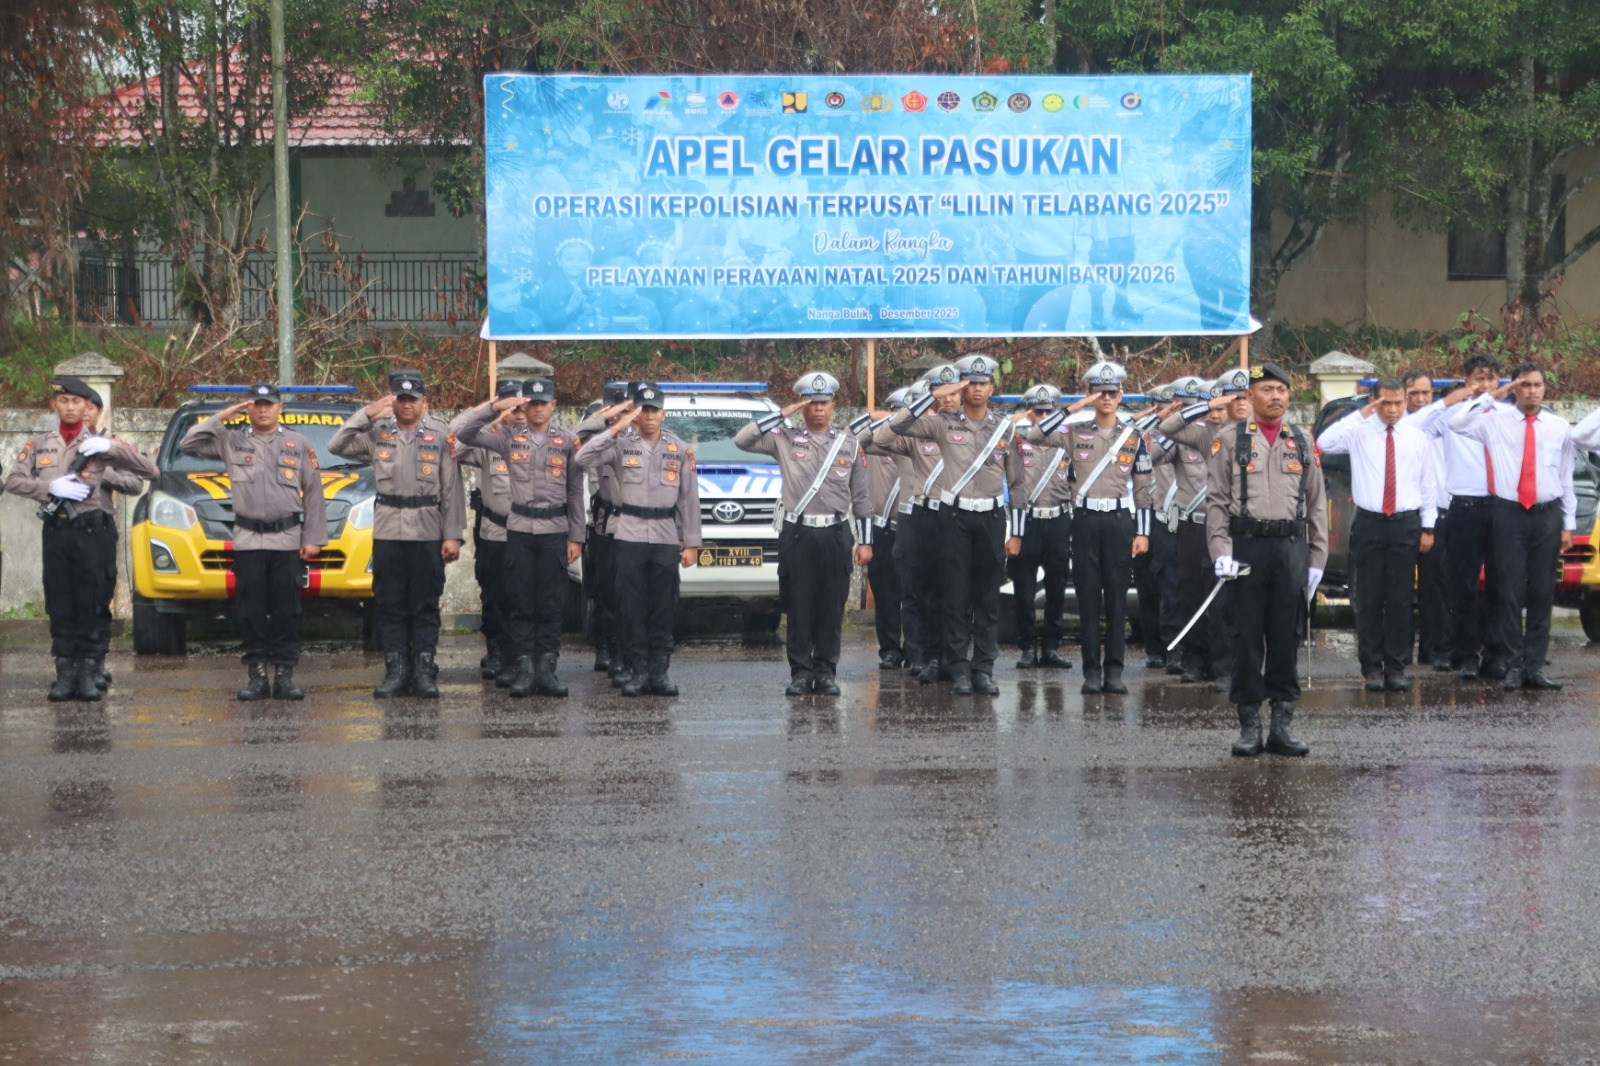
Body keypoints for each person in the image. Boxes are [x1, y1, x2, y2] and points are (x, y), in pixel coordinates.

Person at [4, 375, 158, 701]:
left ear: (87, 406)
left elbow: (149, 471)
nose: (71, 407)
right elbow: (14, 481)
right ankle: (65, 674)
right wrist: (49, 488)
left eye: (77, 402)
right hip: (57, 531)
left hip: (91, 531)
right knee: (59, 602)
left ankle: (89, 672)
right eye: (64, 401)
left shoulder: (99, 444)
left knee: (90, 601)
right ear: (54, 405)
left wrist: (111, 448)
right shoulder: (40, 443)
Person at [1207, 363, 1328, 757]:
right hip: (1246, 548)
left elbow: (1316, 503)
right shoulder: (1229, 439)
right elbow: (1216, 502)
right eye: (1267, 389)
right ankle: (1249, 725)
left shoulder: (1303, 441)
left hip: (1290, 548)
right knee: (1245, 637)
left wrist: (1317, 558)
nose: (1276, 396)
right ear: (1250, 396)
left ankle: (1281, 725)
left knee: (1286, 636)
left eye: (1282, 389)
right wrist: (1220, 552)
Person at [180, 383, 330, 701]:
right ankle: (257, 676)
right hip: (248, 540)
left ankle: (285, 676)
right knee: (250, 611)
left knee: (286, 611)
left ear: (280, 408)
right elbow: (188, 443)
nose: (263, 409)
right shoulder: (231, 441)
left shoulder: (297, 443)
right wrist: (221, 417)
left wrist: (314, 537)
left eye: (268, 404)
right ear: (248, 408)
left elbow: (314, 492)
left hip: (287, 540)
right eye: (257, 404)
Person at [886, 354, 1023, 695]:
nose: (976, 389)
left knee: (987, 598)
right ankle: (959, 668)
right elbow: (896, 427)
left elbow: (1017, 482)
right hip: (954, 517)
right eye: (970, 383)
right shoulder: (942, 423)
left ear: (992, 388)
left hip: (991, 517)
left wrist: (1017, 532)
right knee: (955, 595)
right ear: (961, 388)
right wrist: (935, 395)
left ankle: (984, 669)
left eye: (982, 383)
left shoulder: (1005, 428)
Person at [329, 370, 466, 698]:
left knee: (425, 604)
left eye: (412, 399)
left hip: (427, 530)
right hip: (389, 531)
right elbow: (336, 445)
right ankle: (396, 671)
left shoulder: (440, 435)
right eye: (400, 399)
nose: (406, 405)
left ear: (424, 402)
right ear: (392, 400)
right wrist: (367, 413)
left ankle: (423, 671)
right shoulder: (378, 433)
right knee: (390, 604)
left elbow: (452, 488)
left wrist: (452, 535)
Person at [735, 371, 872, 695]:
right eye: (811, 403)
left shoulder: (849, 444)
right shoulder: (784, 439)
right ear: (802, 406)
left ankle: (825, 671)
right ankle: (800, 672)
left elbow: (862, 497)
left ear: (833, 405)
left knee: (831, 607)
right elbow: (742, 440)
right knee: (798, 605)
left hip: (835, 532)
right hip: (798, 533)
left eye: (824, 402)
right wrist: (782, 413)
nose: (818, 409)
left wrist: (866, 541)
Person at [1026, 360, 1153, 693]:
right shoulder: (1075, 432)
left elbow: (1143, 489)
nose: (1106, 397)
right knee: (1088, 598)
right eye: (1099, 392)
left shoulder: (1134, 437)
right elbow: (1035, 434)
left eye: (1111, 392)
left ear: (1121, 395)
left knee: (1116, 599)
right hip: (1084, 520)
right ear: (1090, 395)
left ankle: (1114, 672)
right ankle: (1092, 673)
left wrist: (1143, 532)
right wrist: (1073, 409)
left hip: (1119, 521)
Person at [455, 376, 585, 697]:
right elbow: (464, 434)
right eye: (532, 403)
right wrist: (495, 407)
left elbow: (574, 492)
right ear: (523, 406)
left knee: (551, 604)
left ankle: (547, 670)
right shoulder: (508, 437)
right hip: (520, 531)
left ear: (553, 405)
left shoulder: (568, 441)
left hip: (554, 530)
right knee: (521, 601)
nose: (538, 409)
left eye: (543, 403)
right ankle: (525, 669)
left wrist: (576, 537)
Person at [1448, 363, 1574, 689]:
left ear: (1545, 388)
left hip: (1547, 514)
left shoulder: (1558, 426)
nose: (1532, 391)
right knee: (1509, 592)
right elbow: (1456, 423)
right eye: (1525, 385)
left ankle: (1535, 667)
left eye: (1537, 385)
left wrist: (1568, 523)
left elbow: (1566, 478)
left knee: (1542, 592)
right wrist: (1492, 396)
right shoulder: (1494, 421)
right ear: (1515, 388)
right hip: (1509, 514)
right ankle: (1513, 665)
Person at [573, 382, 701, 696]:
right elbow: (582, 458)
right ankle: (638, 671)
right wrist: (615, 428)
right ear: (636, 414)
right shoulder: (620, 444)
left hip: (664, 535)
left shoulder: (678, 448)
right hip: (629, 534)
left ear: (664, 413)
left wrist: (691, 542)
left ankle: (659, 672)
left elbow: (688, 499)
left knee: (662, 606)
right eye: (644, 410)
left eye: (655, 410)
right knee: (631, 606)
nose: (650, 416)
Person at [1316, 376, 1438, 691]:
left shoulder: (1416, 437)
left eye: (1399, 403)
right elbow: (1325, 443)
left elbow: (1428, 484)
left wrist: (1428, 526)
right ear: (1375, 402)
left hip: (1405, 523)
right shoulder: (1358, 432)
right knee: (1369, 597)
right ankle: (1371, 667)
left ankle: (1396, 667)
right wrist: (1361, 415)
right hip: (1370, 522)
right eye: (1386, 403)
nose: (1393, 409)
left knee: (1400, 598)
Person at [1407, 354, 1509, 680]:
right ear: (1467, 381)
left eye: (1491, 378)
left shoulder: (1508, 415)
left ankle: (1496, 655)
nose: (1485, 384)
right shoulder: (1451, 416)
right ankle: (1465, 655)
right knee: (1462, 585)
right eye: (1479, 378)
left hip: (1503, 507)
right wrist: (1450, 401)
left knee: (1500, 585)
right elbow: (1412, 427)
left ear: (1499, 381)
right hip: (1464, 508)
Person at [871, 369, 961, 678]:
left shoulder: (969, 429)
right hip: (914, 518)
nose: (946, 398)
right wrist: (903, 413)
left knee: (954, 591)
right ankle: (918, 654)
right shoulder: (913, 433)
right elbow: (871, 438)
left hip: (954, 515)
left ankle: (953, 656)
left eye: (952, 392)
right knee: (916, 591)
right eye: (940, 393)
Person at [449, 378, 524, 684]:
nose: (518, 414)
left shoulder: (542, 440)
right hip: (495, 533)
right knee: (495, 596)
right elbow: (454, 439)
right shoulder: (489, 441)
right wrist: (488, 409)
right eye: (512, 407)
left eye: (521, 407)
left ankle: (521, 656)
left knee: (523, 599)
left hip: (528, 533)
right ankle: (497, 651)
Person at [1006, 383, 1074, 670]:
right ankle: (1027, 647)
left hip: (1058, 519)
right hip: (1029, 520)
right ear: (1029, 413)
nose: (1043, 416)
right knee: (1023, 589)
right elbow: (1012, 484)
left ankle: (1051, 647)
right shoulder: (1018, 441)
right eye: (1038, 412)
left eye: (1048, 411)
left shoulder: (1067, 441)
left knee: (1057, 586)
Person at [576, 383, 631, 683]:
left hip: (631, 525)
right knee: (602, 590)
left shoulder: (639, 434)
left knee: (626, 592)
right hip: (600, 524)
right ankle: (604, 646)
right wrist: (604, 420)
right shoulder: (596, 433)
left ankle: (625, 650)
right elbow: (573, 440)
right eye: (616, 407)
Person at [1402, 369, 1453, 671]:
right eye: (1414, 393)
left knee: (1436, 585)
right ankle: (1399, 652)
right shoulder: (1396, 424)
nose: (1420, 399)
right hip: (1402, 515)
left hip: (1438, 514)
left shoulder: (1443, 423)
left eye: (1426, 392)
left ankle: (1434, 650)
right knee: (1399, 588)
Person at [855, 387, 909, 671]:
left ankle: (915, 648)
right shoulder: (875, 442)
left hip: (914, 528)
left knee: (915, 594)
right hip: (883, 529)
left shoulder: (926, 441)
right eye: (897, 413)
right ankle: (890, 650)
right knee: (886, 594)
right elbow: (851, 438)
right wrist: (874, 417)